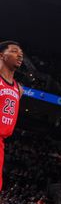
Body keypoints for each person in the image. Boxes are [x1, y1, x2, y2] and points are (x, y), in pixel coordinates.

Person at [0, 41, 23, 192]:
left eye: (21, 53)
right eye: (14, 51)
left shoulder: (19, 89)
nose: (19, 55)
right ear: (2, 55)